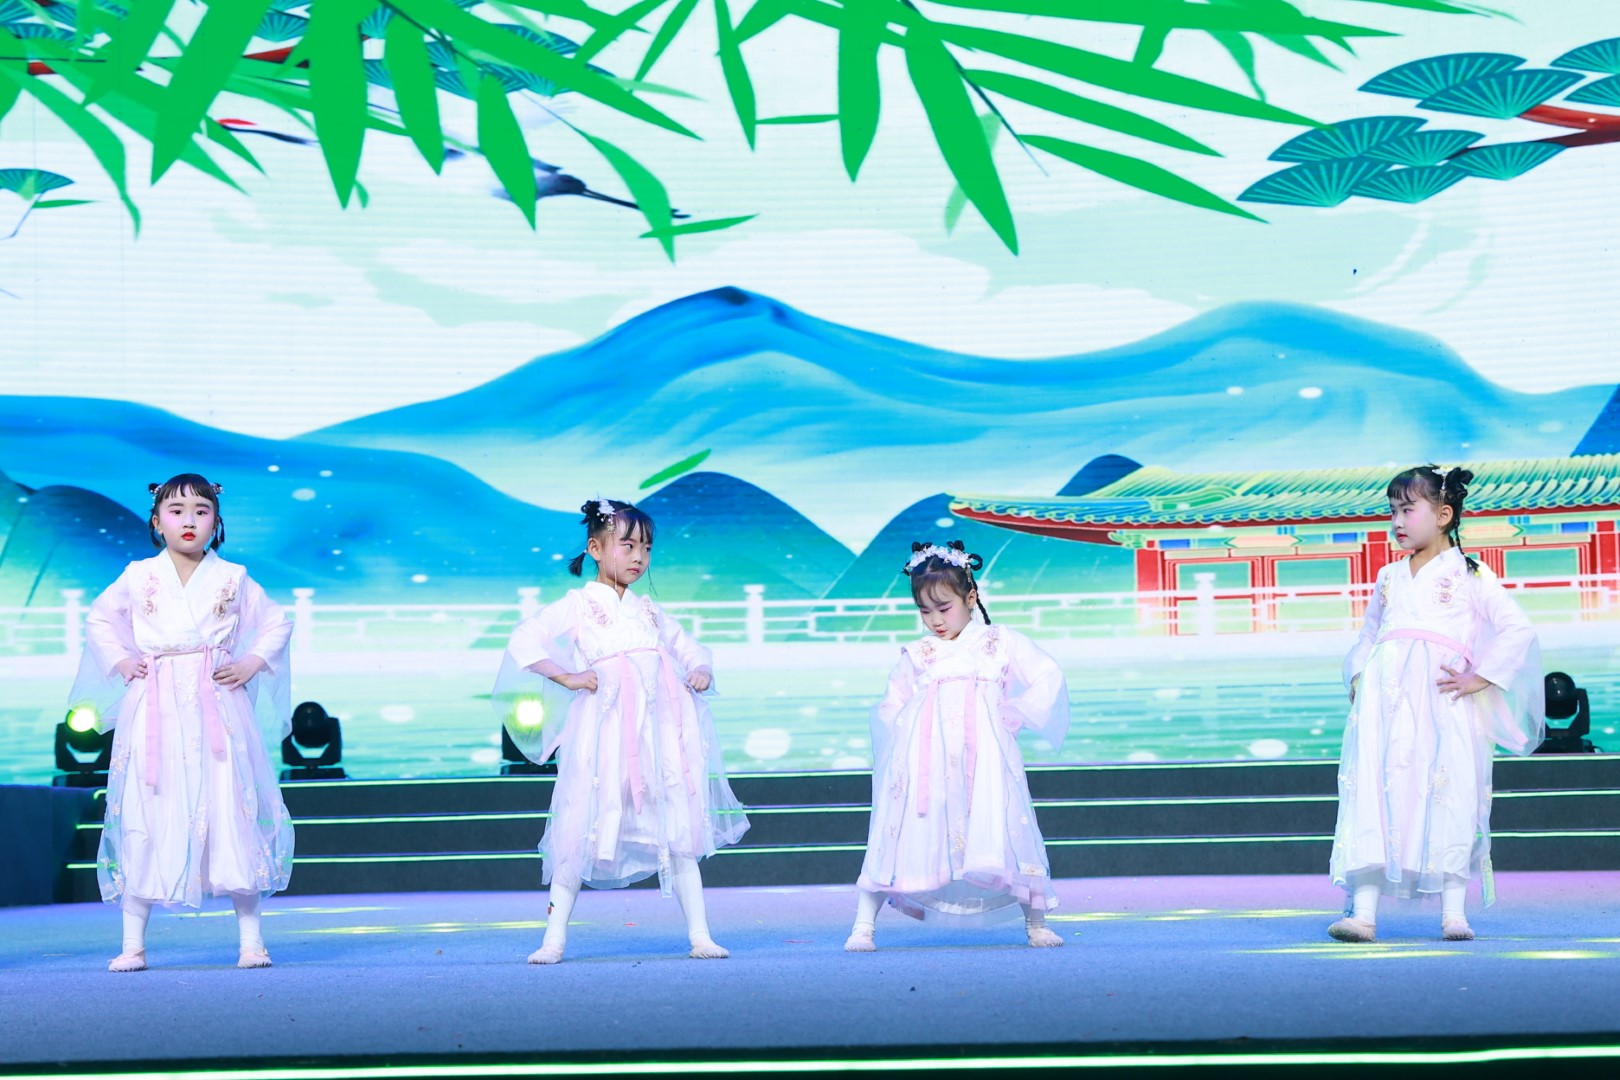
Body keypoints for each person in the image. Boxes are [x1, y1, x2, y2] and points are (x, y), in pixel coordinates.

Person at [493, 498, 749, 963]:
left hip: (657, 733)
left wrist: (700, 670)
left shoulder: (648, 610)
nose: (639, 557)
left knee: (677, 824)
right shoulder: (578, 605)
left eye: (646, 548)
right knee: (581, 822)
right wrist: (568, 676)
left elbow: (692, 648)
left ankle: (700, 935)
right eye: (628, 546)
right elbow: (524, 639)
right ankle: (553, 939)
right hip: (604, 730)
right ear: (595, 548)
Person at [69, 474, 294, 972]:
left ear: (216, 522)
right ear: (157, 522)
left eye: (200, 511)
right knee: (147, 806)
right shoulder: (137, 575)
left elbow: (277, 622)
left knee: (231, 806)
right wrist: (122, 660)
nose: (188, 520)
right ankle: (133, 945)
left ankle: (252, 942)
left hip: (217, 700)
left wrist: (251, 662)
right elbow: (100, 620)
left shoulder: (233, 577)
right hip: (155, 700)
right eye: (176, 511)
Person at [1329, 465, 1544, 943]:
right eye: (1392, 511)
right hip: (1385, 704)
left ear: (1443, 515)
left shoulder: (1470, 574)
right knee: (1375, 791)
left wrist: (1480, 677)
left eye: (1408, 510)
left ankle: (1454, 914)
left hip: (1443, 701)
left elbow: (1517, 629)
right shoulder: (1388, 577)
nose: (1397, 521)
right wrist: (1359, 674)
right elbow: (1368, 636)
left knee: (1449, 790)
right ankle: (1363, 913)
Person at [845, 541, 1070, 952]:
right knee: (899, 830)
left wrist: (1015, 712)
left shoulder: (999, 641)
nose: (935, 620)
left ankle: (1036, 922)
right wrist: (905, 742)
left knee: (1006, 824)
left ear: (970, 597)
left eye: (943, 608)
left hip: (986, 757)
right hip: (925, 759)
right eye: (924, 610)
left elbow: (1048, 675)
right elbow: (891, 705)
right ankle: (863, 925)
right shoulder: (918, 653)